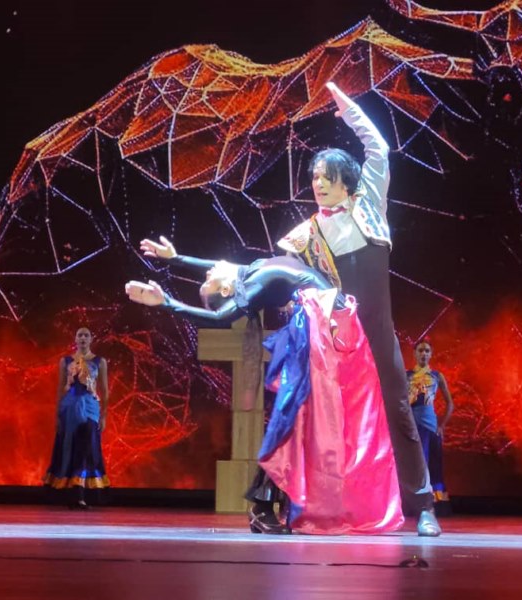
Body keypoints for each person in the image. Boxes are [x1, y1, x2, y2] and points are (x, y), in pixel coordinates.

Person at [126, 247, 404, 535]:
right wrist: (167, 302)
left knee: (308, 422)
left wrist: (177, 259)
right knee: (294, 418)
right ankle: (262, 504)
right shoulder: (254, 283)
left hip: (337, 329)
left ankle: (274, 503)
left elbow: (214, 262)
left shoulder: (252, 269)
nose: (207, 271)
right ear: (225, 287)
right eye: (208, 280)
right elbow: (221, 316)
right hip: (319, 335)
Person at [277, 82, 441, 536]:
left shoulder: (369, 205)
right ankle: (325, 506)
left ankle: (423, 505)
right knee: (330, 424)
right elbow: (275, 272)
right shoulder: (306, 232)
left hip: (378, 333)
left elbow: (378, 146)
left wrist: (344, 105)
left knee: (399, 415)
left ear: (345, 179)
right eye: (314, 178)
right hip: (338, 341)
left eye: (326, 176)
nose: (318, 184)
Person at [43, 327, 110, 509]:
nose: (82, 338)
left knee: (86, 446)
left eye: (86, 335)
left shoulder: (99, 361)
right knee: (69, 446)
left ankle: (81, 491)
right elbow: (60, 389)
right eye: (79, 335)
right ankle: (73, 493)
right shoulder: (65, 361)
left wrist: (103, 416)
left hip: (90, 407)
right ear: (75, 339)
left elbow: (104, 390)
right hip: (70, 407)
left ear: (91, 339)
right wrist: (57, 414)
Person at [407, 339, 454, 516]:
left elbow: (450, 404)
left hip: (430, 426)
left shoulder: (436, 376)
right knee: (415, 466)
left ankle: (434, 505)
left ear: (431, 354)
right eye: (420, 350)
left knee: (433, 466)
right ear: (414, 353)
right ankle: (414, 504)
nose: (424, 354)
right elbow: (401, 402)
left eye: (427, 351)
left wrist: (442, 425)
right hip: (412, 427)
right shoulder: (407, 376)